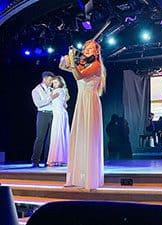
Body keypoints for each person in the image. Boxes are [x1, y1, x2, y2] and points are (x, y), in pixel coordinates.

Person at [59, 39, 106, 190]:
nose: (86, 51)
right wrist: (67, 57)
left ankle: (90, 180)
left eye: (90, 49)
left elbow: (79, 76)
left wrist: (73, 60)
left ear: (96, 52)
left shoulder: (96, 65)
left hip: (90, 102)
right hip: (81, 102)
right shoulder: (83, 64)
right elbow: (62, 67)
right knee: (79, 137)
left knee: (89, 138)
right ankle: (76, 177)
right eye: (85, 48)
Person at [31, 71, 58, 168]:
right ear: (45, 79)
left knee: (50, 139)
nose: (51, 82)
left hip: (52, 114)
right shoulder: (36, 90)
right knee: (40, 138)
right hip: (43, 114)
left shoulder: (51, 89)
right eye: (50, 80)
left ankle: (48, 160)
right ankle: (35, 160)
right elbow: (38, 104)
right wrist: (50, 98)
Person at [47, 76, 70, 167]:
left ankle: (56, 158)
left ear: (60, 83)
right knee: (61, 135)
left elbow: (49, 98)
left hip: (59, 114)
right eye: (53, 83)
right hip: (62, 113)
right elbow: (65, 103)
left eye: (56, 82)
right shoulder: (63, 91)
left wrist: (50, 91)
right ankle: (62, 158)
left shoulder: (57, 91)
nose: (54, 84)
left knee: (57, 135)